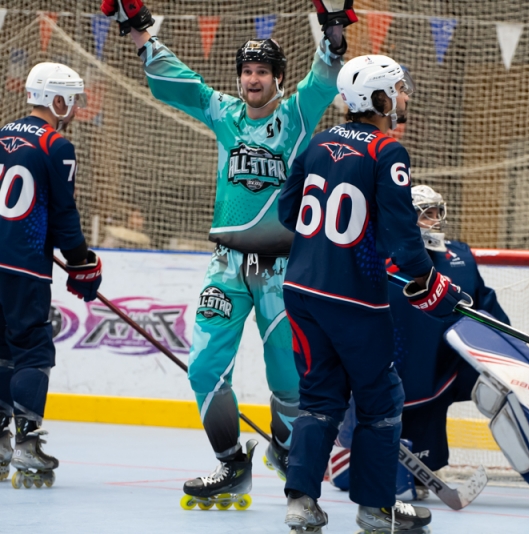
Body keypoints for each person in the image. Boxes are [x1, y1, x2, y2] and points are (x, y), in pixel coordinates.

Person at [101, 0, 355, 507]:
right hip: (227, 266)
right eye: (246, 71)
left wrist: (333, 30)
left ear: (278, 78)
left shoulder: (297, 115)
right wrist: (135, 28)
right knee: (203, 368)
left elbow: (325, 75)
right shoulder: (224, 112)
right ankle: (230, 464)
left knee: (290, 378)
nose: (252, 79)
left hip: (284, 271)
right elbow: (177, 77)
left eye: (262, 71)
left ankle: (286, 452)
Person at [278, 55, 472, 533]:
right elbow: (405, 238)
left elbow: (287, 212)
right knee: (381, 399)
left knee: (318, 399)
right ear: (379, 98)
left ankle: (301, 503)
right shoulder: (388, 151)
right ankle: (374, 508)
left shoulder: (318, 141)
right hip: (355, 300)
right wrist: (430, 284)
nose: (404, 97)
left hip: (301, 290)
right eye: (399, 89)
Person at [328, 186, 529, 509]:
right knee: (386, 481)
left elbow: (488, 314)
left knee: (502, 383)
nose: (433, 220)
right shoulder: (375, 259)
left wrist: (518, 353)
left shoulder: (458, 258)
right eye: (424, 214)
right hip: (392, 388)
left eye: (436, 213)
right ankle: (360, 456)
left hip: (443, 372)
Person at [0, 62, 103, 488]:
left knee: (1, 349)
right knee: (32, 350)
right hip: (24, 266)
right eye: (72, 99)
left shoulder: (2, 134)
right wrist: (82, 263)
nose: (75, 108)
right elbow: (63, 215)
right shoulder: (55, 144)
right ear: (55, 100)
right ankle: (27, 442)